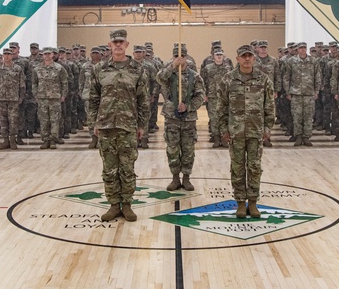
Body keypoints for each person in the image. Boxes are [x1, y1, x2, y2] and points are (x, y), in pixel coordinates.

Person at [88, 29, 149, 223]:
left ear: (127, 44)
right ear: (109, 45)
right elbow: (93, 98)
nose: (118, 45)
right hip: (105, 126)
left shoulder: (137, 69)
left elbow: (143, 100)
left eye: (121, 42)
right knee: (109, 168)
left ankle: (128, 204)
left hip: (128, 126)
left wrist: (141, 125)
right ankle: (114, 205)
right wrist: (94, 123)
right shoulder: (100, 69)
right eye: (115, 42)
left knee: (127, 167)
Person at [216, 44, 275, 219]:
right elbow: (221, 107)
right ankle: (241, 202)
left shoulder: (263, 79)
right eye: (244, 56)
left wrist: (267, 127)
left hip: (256, 131)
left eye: (250, 56)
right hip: (236, 131)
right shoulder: (228, 80)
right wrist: (223, 128)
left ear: (254, 58)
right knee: (238, 168)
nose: (247, 59)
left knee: (255, 167)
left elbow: (269, 105)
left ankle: (253, 202)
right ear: (238, 59)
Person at [156, 43, 205, 191]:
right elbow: (158, 78)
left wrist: (188, 107)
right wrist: (172, 66)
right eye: (177, 56)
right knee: (172, 149)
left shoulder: (194, 76)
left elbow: (200, 96)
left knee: (188, 149)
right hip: (172, 117)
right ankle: (175, 178)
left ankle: (187, 178)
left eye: (182, 56)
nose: (180, 59)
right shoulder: (168, 74)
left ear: (187, 57)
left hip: (188, 119)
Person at [286, 42, 321, 146]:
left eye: (304, 48)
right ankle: (298, 136)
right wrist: (288, 91)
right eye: (300, 48)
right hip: (295, 93)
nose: (302, 50)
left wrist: (316, 90)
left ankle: (306, 136)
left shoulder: (313, 61)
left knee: (308, 116)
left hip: (309, 93)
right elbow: (287, 77)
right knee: (297, 116)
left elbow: (317, 76)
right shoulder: (291, 61)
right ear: (297, 50)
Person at [33, 46, 68, 149]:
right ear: (42, 55)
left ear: (53, 55)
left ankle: (53, 140)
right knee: (43, 120)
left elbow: (65, 82)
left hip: (55, 98)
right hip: (42, 98)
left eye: (49, 54)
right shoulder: (37, 69)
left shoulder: (59, 68)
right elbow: (34, 83)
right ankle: (45, 140)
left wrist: (63, 95)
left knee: (55, 120)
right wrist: (36, 95)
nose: (47, 56)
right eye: (45, 54)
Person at [0, 47, 26, 150]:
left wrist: (21, 97)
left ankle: (13, 140)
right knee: (2, 121)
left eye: (9, 54)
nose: (7, 56)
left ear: (12, 56)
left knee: (13, 120)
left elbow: (22, 84)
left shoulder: (17, 69)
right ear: (3, 56)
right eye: (5, 54)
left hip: (13, 99)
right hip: (1, 98)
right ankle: (5, 140)